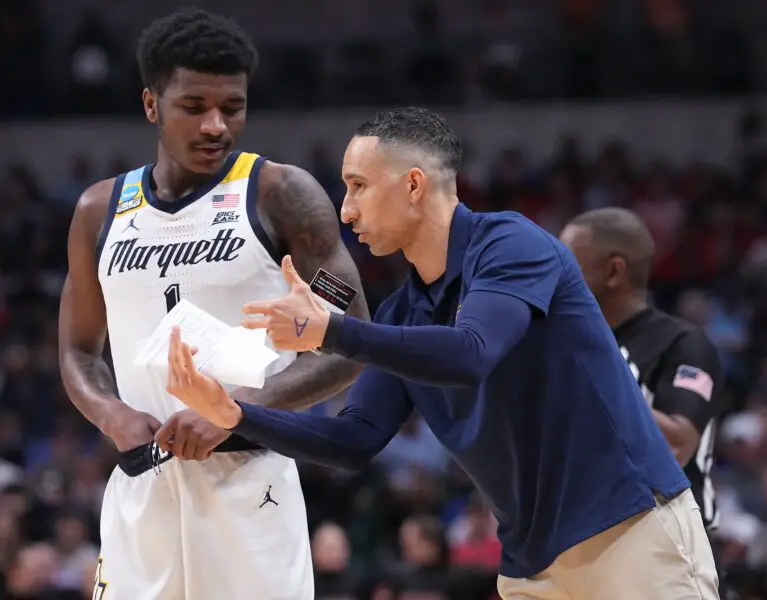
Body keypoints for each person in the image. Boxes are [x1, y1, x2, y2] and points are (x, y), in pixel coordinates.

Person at [166, 107, 720, 600]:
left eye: (358, 186)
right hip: (533, 566)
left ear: (413, 185)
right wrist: (236, 415)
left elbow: (471, 352)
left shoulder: (511, 244)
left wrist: (330, 331)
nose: (346, 212)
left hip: (630, 528)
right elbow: (354, 441)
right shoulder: (402, 315)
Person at [57, 8, 368, 600]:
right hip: (142, 482)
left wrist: (239, 409)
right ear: (152, 105)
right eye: (194, 107)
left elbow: (351, 342)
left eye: (233, 107)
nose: (216, 126)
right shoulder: (100, 210)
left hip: (249, 476)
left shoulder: (282, 195)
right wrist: (110, 413)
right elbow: (77, 351)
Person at [558, 208, 730, 586]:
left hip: (668, 547)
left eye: (568, 261)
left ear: (614, 271)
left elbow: (678, 444)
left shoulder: (682, 343)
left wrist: (594, 378)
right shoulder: (566, 344)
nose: (555, 273)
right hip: (579, 544)